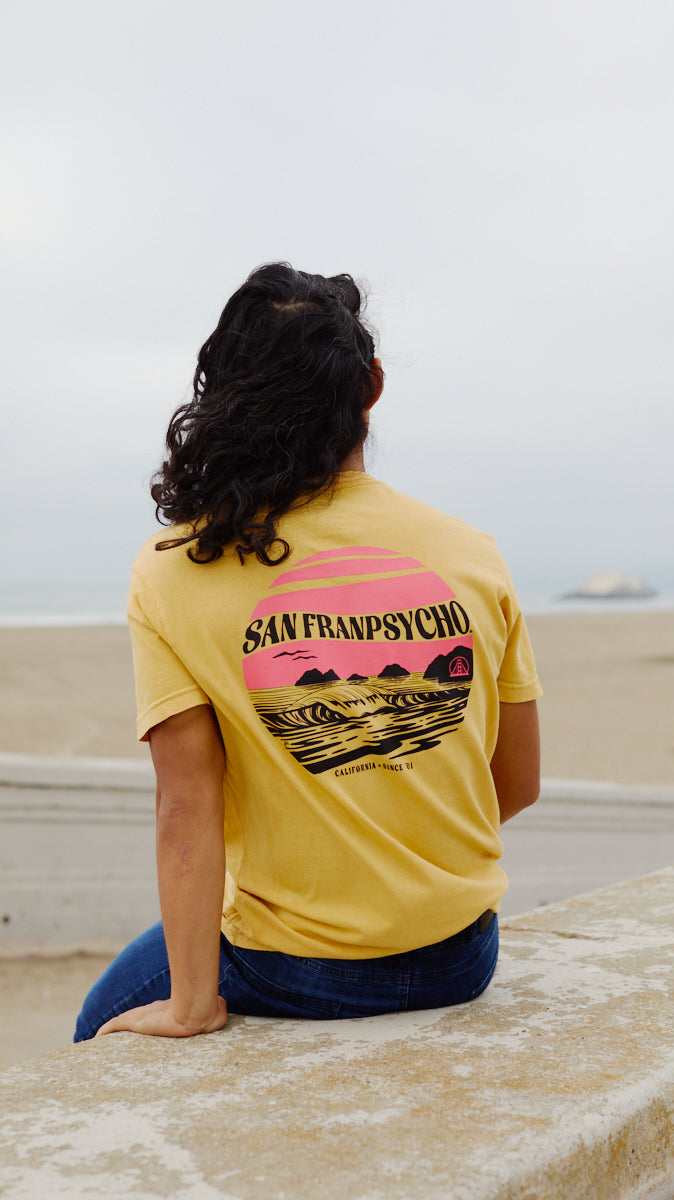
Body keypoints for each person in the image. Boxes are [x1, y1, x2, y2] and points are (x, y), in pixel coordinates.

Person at [74, 263, 542, 1042]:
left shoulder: (176, 567)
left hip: (292, 963)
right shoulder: (470, 554)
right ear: (372, 387)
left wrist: (193, 1006)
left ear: (224, 396)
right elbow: (517, 783)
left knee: (99, 1026)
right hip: (460, 957)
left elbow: (186, 806)